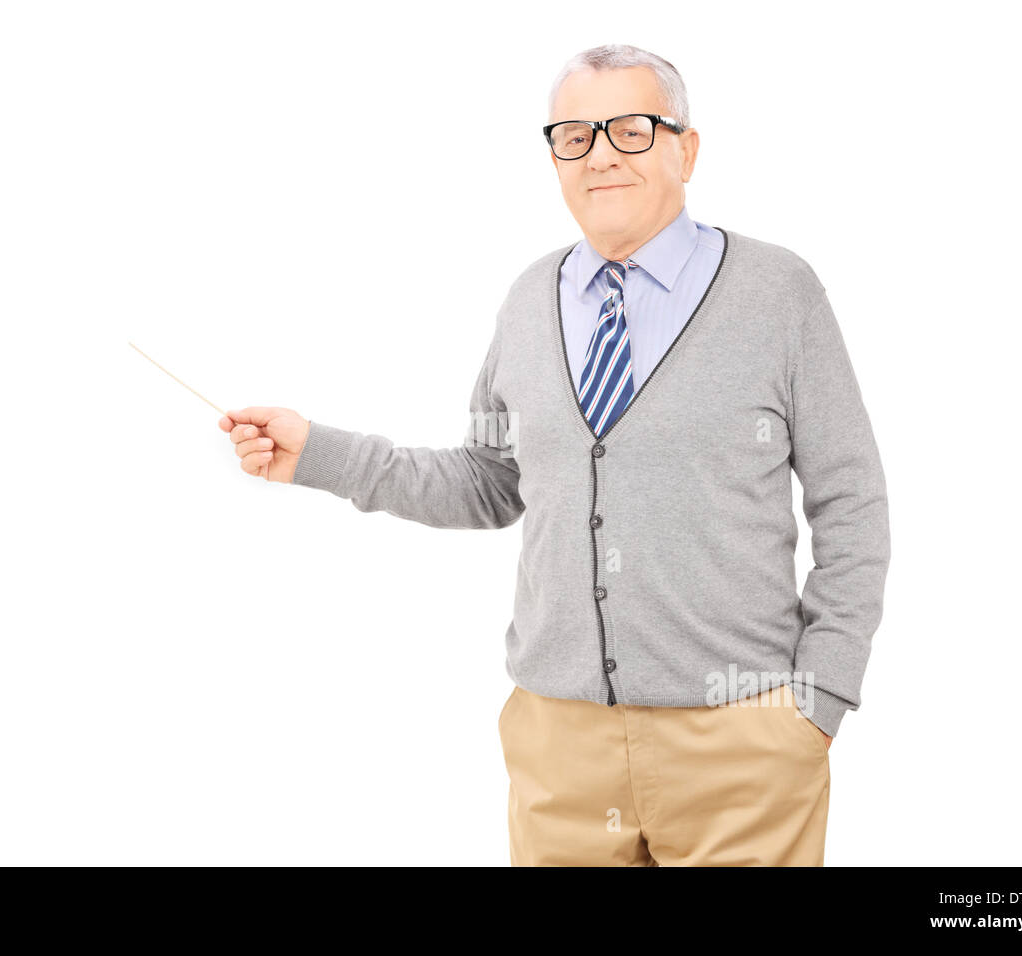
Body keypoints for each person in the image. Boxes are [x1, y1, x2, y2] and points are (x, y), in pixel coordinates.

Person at [217, 43, 890, 866]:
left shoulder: (777, 292)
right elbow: (488, 481)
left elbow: (850, 499)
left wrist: (820, 696)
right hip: (560, 745)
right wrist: (318, 454)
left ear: (687, 148)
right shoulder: (531, 298)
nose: (601, 152)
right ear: (555, 158)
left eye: (632, 128)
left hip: (742, 737)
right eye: (574, 135)